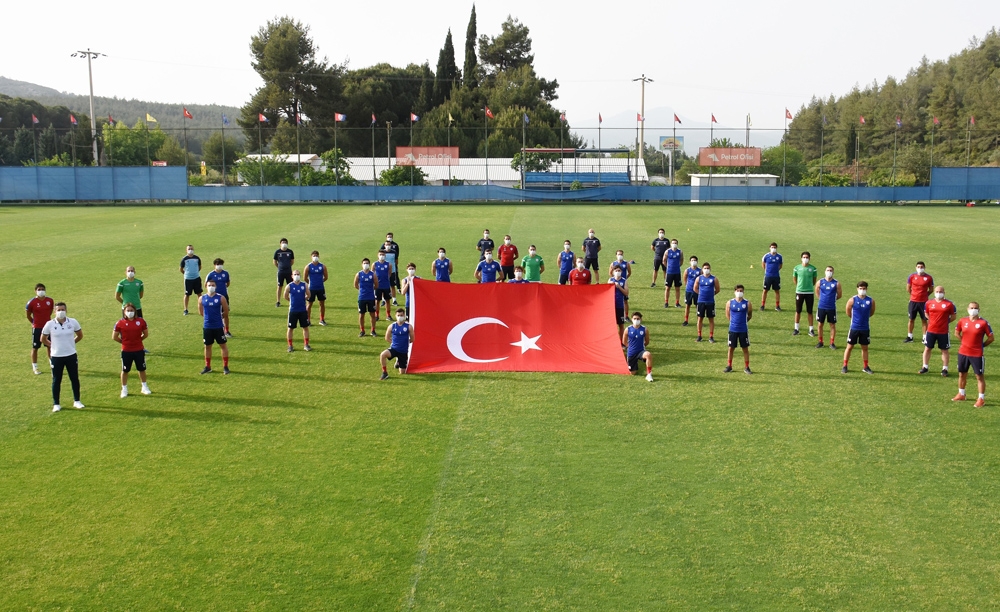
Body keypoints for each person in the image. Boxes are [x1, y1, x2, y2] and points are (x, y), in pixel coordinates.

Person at [41, 302, 84, 411]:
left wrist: (72, 343)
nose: (61, 312)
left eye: (63, 309)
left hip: (71, 355)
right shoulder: (49, 324)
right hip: (56, 356)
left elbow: (80, 335)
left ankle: (77, 401)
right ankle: (56, 403)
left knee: (74, 378)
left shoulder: (73, 322)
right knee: (56, 380)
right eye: (58, 310)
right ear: (55, 312)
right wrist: (53, 345)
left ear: (66, 310)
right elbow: (43, 339)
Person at [953, 302, 994, 408]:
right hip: (963, 352)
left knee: (979, 376)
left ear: (978, 310)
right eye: (971, 308)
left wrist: (982, 345)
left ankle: (981, 398)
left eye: (975, 308)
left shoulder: (983, 323)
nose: (973, 310)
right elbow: (956, 332)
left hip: (976, 354)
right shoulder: (963, 320)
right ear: (967, 309)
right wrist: (963, 341)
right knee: (962, 374)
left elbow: (991, 337)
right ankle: (961, 394)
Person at [113, 303, 151, 398]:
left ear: (135, 312)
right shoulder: (120, 323)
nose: (130, 312)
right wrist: (124, 342)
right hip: (126, 351)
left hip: (138, 350)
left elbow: (145, 334)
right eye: (128, 310)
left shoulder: (141, 321)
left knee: (141, 369)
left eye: (132, 310)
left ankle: (144, 386)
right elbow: (114, 336)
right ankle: (124, 389)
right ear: (124, 312)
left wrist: (138, 341)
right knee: (125, 370)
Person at [922, 286, 956, 376]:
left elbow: (953, 316)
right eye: (937, 291)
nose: (938, 293)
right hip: (931, 330)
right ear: (934, 292)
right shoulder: (929, 303)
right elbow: (926, 313)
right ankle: (925, 367)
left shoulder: (949, 304)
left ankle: (945, 369)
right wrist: (932, 321)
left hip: (943, 331)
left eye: (940, 291)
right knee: (927, 348)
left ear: (944, 292)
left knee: (944, 350)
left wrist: (945, 322)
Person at [842, 281, 875, 374]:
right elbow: (848, 311)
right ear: (857, 289)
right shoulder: (852, 300)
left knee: (865, 348)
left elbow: (871, 312)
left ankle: (865, 366)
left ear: (866, 289)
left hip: (865, 328)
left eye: (864, 289)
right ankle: (845, 365)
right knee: (849, 347)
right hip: (854, 328)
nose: (862, 290)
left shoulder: (871, 301)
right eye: (860, 288)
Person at [199, 280, 230, 374]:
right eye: (209, 285)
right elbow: (201, 312)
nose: (211, 287)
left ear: (215, 287)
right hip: (207, 327)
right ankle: (207, 366)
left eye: (213, 285)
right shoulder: (202, 298)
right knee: (207, 346)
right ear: (206, 286)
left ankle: (225, 367)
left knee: (223, 345)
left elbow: (226, 311)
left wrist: (219, 318)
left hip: (218, 327)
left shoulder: (221, 298)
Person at [724, 285, 753, 374]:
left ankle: (747, 367)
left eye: (741, 290)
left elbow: (749, 315)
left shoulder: (747, 303)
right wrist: (733, 322)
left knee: (745, 349)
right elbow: (727, 314)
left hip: (743, 330)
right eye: (738, 290)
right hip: (733, 329)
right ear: (735, 291)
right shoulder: (730, 302)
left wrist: (743, 322)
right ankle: (729, 366)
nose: (739, 292)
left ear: (743, 292)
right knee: (731, 348)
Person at [26, 283, 54, 375]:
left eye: (42, 289)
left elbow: (49, 312)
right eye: (39, 289)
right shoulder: (32, 302)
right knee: (35, 347)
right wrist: (34, 323)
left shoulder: (50, 300)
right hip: (37, 327)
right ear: (35, 291)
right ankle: (35, 366)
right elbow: (28, 315)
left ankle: (52, 363)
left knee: (50, 345)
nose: (41, 291)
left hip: (48, 327)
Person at [380, 308, 414, 380]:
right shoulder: (392, 326)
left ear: (404, 315)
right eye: (398, 315)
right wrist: (394, 343)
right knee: (383, 355)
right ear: (395, 315)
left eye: (401, 315)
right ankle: (384, 373)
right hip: (394, 349)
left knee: (402, 372)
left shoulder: (409, 327)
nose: (400, 317)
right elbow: (387, 338)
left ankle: (398, 361)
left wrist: (405, 343)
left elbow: (412, 339)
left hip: (403, 351)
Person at [283, 269, 312, 352]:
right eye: (295, 274)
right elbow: (285, 296)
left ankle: (306, 344)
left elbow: (308, 294)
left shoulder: (304, 285)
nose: (296, 276)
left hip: (302, 310)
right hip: (293, 310)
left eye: (298, 274)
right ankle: (290, 345)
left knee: (305, 327)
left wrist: (304, 299)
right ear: (292, 276)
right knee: (290, 328)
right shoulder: (289, 286)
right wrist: (292, 301)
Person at [905, 261, 934, 343]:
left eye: (921, 267)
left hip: (924, 302)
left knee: (924, 320)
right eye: (918, 266)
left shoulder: (929, 278)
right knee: (911, 319)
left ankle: (924, 337)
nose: (920, 268)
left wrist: (924, 295)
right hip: (913, 301)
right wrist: (914, 295)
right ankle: (910, 336)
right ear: (916, 267)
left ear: (924, 268)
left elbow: (931, 289)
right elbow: (908, 288)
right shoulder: (912, 276)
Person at [815, 265, 842, 349]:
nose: (829, 272)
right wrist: (821, 299)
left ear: (833, 272)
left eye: (830, 270)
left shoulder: (836, 283)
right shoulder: (820, 282)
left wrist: (832, 299)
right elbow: (817, 291)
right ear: (825, 271)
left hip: (831, 307)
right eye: (827, 270)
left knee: (832, 325)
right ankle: (820, 342)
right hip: (821, 307)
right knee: (820, 324)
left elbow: (839, 295)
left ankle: (832, 343)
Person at [694, 261, 720, 342]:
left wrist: (711, 294)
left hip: (710, 302)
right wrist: (701, 294)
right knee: (700, 319)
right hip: (701, 301)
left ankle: (711, 336)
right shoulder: (699, 278)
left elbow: (718, 289)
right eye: (705, 268)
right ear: (702, 269)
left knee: (711, 319)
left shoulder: (714, 279)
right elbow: (695, 288)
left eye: (708, 268)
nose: (706, 270)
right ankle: (699, 335)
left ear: (710, 269)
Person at [793, 251, 818, 337]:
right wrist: (799, 287)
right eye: (804, 257)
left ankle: (811, 329)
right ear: (801, 258)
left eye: (807, 257)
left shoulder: (813, 268)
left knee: (809, 311)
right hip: (799, 292)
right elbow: (795, 279)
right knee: (798, 310)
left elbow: (814, 281)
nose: (805, 259)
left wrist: (809, 286)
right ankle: (796, 328)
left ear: (809, 259)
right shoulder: (796, 268)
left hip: (809, 292)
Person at [624, 311, 654, 382]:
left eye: (638, 319)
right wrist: (630, 347)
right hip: (631, 353)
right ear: (632, 319)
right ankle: (634, 363)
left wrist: (642, 347)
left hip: (641, 351)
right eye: (634, 318)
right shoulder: (628, 329)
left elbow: (647, 341)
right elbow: (624, 341)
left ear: (641, 319)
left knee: (648, 355)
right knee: (633, 373)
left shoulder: (644, 329)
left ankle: (649, 374)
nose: (636, 320)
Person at [205, 258, 232, 337]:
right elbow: (206, 284)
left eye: (221, 264)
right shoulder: (211, 274)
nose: (219, 266)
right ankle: (217, 328)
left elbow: (228, 283)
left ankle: (226, 330)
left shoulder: (226, 273)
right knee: (215, 313)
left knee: (226, 313)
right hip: (214, 297)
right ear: (214, 265)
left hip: (224, 296)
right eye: (218, 264)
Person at [355, 258, 379, 336]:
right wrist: (362, 290)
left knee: (372, 314)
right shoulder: (359, 274)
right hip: (362, 298)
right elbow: (355, 284)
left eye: (367, 263)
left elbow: (376, 284)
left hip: (371, 297)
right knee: (361, 314)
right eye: (364, 263)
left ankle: (373, 330)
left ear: (369, 264)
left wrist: (370, 290)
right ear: (362, 264)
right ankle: (362, 331)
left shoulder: (372, 274)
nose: (366, 265)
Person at [306, 251, 328, 326]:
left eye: (316, 255)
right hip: (311, 288)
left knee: (322, 304)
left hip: (320, 288)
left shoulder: (322, 266)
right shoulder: (308, 266)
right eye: (314, 256)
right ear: (311, 257)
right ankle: (308, 320)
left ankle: (322, 319)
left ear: (318, 256)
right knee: (309, 304)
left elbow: (326, 277)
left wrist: (320, 282)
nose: (315, 257)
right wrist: (311, 283)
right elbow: (305, 278)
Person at [180, 244, 202, 315]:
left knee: (199, 294)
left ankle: (201, 308)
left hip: (197, 278)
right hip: (188, 279)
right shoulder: (184, 259)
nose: (190, 250)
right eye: (189, 249)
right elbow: (181, 269)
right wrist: (186, 274)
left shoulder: (197, 258)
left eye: (191, 249)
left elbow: (199, 267)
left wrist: (195, 273)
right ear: (186, 250)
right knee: (187, 294)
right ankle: (185, 309)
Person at [761, 242, 783, 311]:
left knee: (777, 291)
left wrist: (776, 270)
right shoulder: (766, 256)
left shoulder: (779, 256)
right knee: (765, 290)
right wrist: (767, 271)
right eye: (772, 247)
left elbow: (780, 265)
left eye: (774, 247)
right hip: (768, 276)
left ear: (776, 248)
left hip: (776, 276)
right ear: (770, 248)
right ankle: (762, 305)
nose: (773, 249)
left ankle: (777, 306)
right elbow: (763, 264)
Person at [609, 267, 629, 340]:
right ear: (613, 272)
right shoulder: (610, 280)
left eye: (619, 271)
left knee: (621, 324)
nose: (617, 272)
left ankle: (621, 342)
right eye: (616, 270)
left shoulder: (624, 281)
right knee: (612, 325)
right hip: (611, 306)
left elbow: (626, 293)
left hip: (620, 306)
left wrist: (619, 286)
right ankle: (613, 341)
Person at [273, 238, 294, 307]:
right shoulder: (277, 252)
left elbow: (292, 261)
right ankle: (278, 301)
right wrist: (280, 267)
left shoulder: (290, 252)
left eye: (285, 242)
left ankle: (292, 300)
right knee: (279, 286)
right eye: (282, 242)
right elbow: (274, 262)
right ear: (280, 244)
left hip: (288, 272)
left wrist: (287, 266)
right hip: (280, 272)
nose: (284, 243)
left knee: (290, 286)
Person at [663, 238, 683, 308]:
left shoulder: (680, 252)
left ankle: (677, 303)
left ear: (677, 244)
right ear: (671, 244)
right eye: (673, 243)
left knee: (677, 288)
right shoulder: (667, 251)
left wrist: (677, 266)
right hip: (669, 273)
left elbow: (681, 260)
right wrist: (668, 267)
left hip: (677, 272)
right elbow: (664, 261)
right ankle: (666, 302)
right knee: (667, 288)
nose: (674, 244)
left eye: (675, 243)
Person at [374, 249, 394, 320]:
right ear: (378, 255)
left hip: (386, 285)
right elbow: (373, 274)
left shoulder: (388, 264)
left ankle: (388, 315)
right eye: (380, 255)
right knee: (377, 301)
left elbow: (389, 274)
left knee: (387, 300)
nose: (381, 256)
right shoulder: (375, 264)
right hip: (378, 286)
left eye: (383, 255)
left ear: (385, 256)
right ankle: (376, 315)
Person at [682, 256, 701, 327]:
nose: (693, 262)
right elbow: (685, 279)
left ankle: (699, 321)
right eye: (692, 260)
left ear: (697, 261)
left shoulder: (700, 271)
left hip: (697, 291)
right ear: (690, 262)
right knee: (687, 306)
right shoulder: (687, 270)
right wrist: (688, 286)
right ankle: (686, 320)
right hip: (689, 290)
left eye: (695, 260)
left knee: (697, 306)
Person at [383, 232, 401, 304]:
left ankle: (394, 300)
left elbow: (396, 261)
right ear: (384, 245)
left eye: (389, 245)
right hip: (384, 272)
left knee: (392, 285)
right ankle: (384, 300)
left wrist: (394, 267)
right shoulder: (382, 252)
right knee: (383, 286)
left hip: (392, 271)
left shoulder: (394, 252)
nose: (388, 246)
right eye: (387, 245)